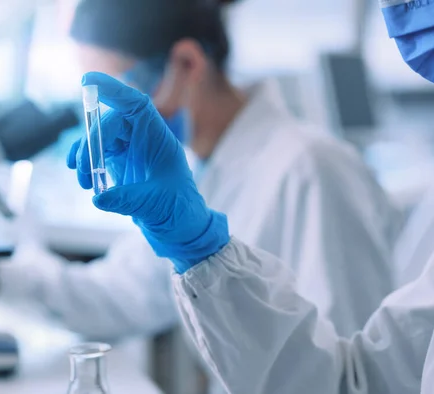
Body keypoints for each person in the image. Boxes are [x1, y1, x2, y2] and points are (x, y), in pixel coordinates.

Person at [66, 0, 434, 392]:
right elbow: (352, 380)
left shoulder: (310, 169)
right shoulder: (191, 171)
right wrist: (196, 249)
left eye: (123, 88)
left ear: (188, 63)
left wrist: (200, 249)